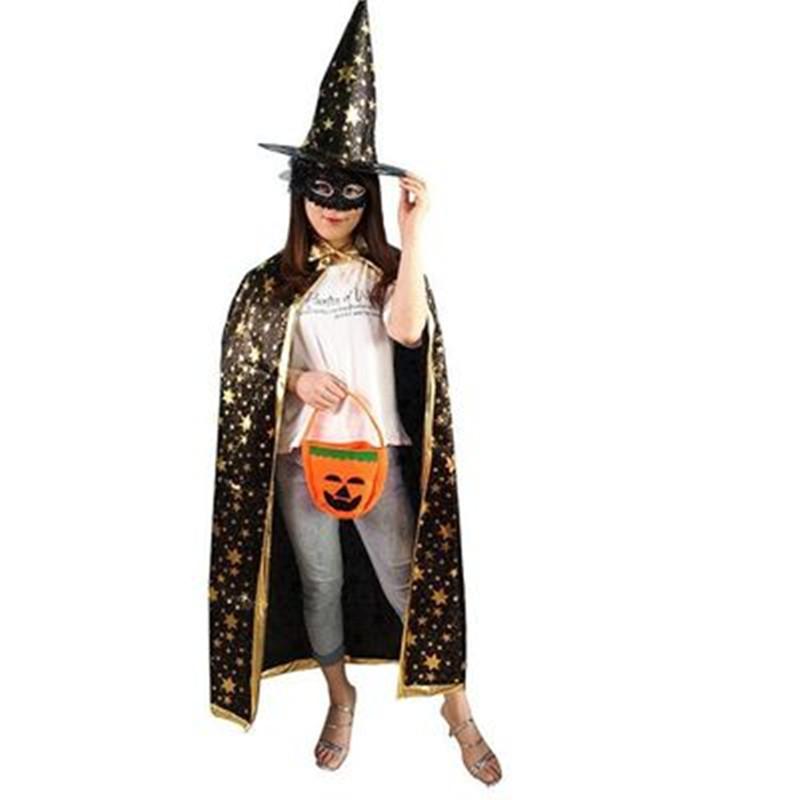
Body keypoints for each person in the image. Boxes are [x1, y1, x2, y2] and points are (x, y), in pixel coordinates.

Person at [274, 156, 502, 784]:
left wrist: (413, 232)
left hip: (379, 457)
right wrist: (298, 380)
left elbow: (408, 331)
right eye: (320, 190)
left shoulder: (388, 272)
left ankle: (457, 711)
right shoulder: (275, 281)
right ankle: (340, 698)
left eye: (348, 192)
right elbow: (248, 365)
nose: (332, 207)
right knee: (320, 584)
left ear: (366, 200)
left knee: (410, 584)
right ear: (300, 194)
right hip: (300, 462)